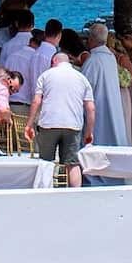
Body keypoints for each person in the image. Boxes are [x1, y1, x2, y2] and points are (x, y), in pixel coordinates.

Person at [25, 53, 94, 187]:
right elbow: (91, 108)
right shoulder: (82, 78)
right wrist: (89, 132)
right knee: (72, 164)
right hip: (73, 125)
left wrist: (29, 124)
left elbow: (36, 101)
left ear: (54, 60)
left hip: (49, 124)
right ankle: (75, 194)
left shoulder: (46, 75)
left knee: (46, 162)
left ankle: (45, 193)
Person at [81, 23, 129, 147]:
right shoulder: (111, 58)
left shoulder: (93, 61)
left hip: (98, 107)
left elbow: (83, 87)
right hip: (112, 104)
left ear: (91, 39)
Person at [0, 10, 34, 77]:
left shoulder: (7, 46)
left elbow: (1, 71)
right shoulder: (38, 46)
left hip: (11, 82)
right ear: (32, 25)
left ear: (16, 24)